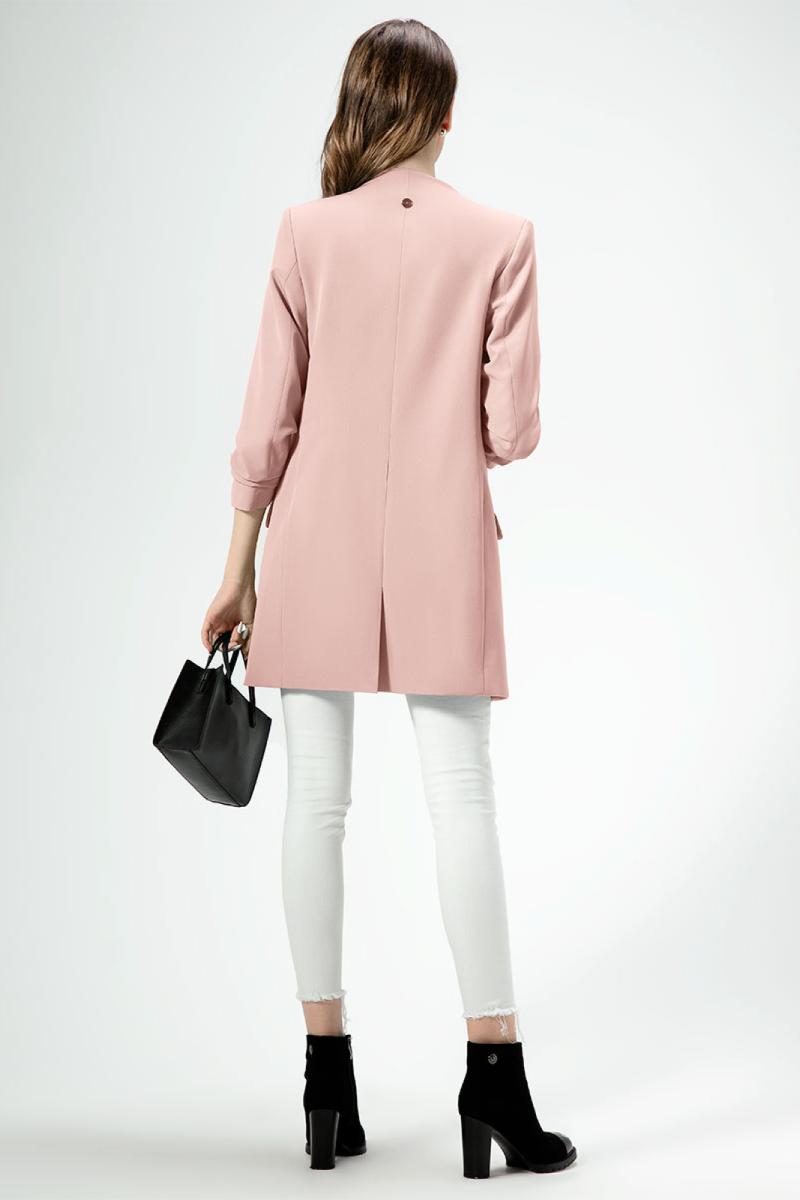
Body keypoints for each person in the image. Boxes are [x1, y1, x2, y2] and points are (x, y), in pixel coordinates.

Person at [200, 17, 575, 1179]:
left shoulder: (304, 232)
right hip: (441, 543)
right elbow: (510, 433)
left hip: (308, 544)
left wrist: (235, 572)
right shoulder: (501, 237)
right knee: (462, 803)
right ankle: (494, 1080)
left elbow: (267, 422)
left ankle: (325, 1082)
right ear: (446, 113)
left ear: (362, 103)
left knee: (314, 806)